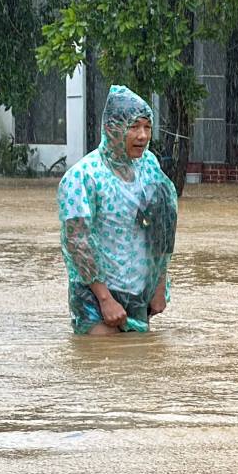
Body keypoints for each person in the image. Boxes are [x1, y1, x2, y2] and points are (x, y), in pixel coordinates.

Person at [57, 85, 178, 336]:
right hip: (94, 297)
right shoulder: (83, 176)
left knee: (139, 367)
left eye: (147, 126)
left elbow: (162, 226)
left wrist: (159, 286)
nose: (142, 136)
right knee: (104, 366)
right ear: (112, 129)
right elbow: (77, 241)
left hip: (139, 294)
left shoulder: (149, 166)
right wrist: (104, 299)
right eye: (134, 127)